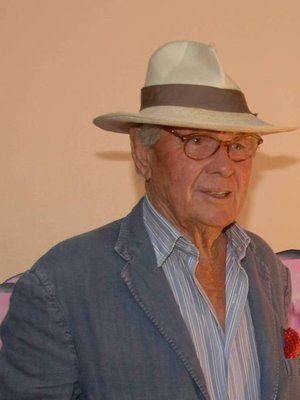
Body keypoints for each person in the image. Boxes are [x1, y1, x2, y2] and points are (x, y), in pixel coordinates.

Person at [0, 40, 299, 400]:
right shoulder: (61, 287)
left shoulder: (265, 265)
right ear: (143, 154)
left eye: (239, 145)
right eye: (198, 141)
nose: (224, 167)